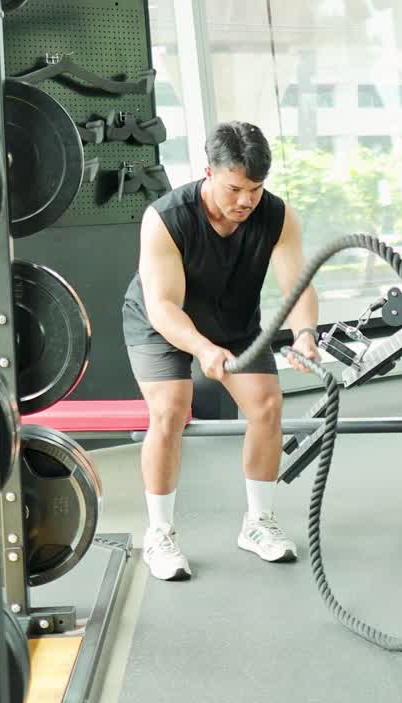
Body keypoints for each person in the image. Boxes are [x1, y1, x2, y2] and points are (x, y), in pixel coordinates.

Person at [121, 121, 320, 581]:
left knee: (268, 406)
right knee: (171, 410)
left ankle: (257, 524)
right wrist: (202, 349)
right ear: (208, 171)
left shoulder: (278, 216)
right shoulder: (165, 218)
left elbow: (298, 286)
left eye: (255, 188)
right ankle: (160, 533)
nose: (246, 200)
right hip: (161, 321)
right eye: (235, 188)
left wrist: (305, 333)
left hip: (232, 320)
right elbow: (164, 306)